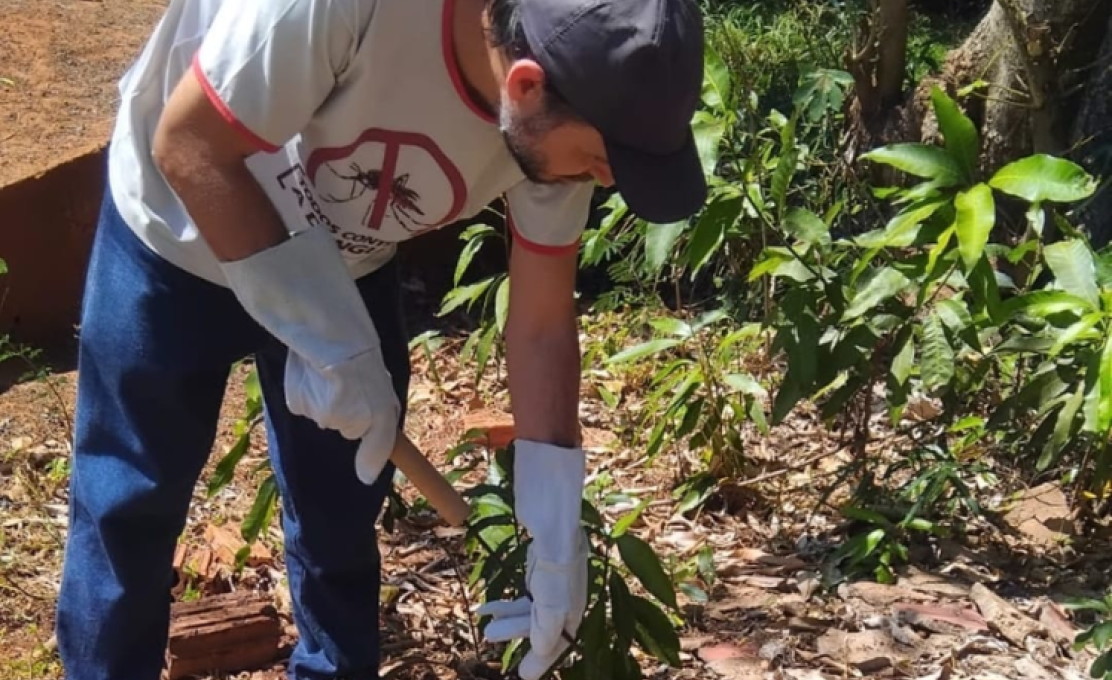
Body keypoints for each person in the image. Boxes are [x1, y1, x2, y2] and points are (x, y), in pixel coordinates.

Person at [55, 0, 705, 678]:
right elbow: (191, 146)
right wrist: (324, 336)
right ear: (525, 85)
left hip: (343, 261)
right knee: (128, 510)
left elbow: (541, 323)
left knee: (339, 519)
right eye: (603, 158)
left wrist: (555, 526)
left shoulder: (563, 122)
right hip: (176, 221)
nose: (605, 179)